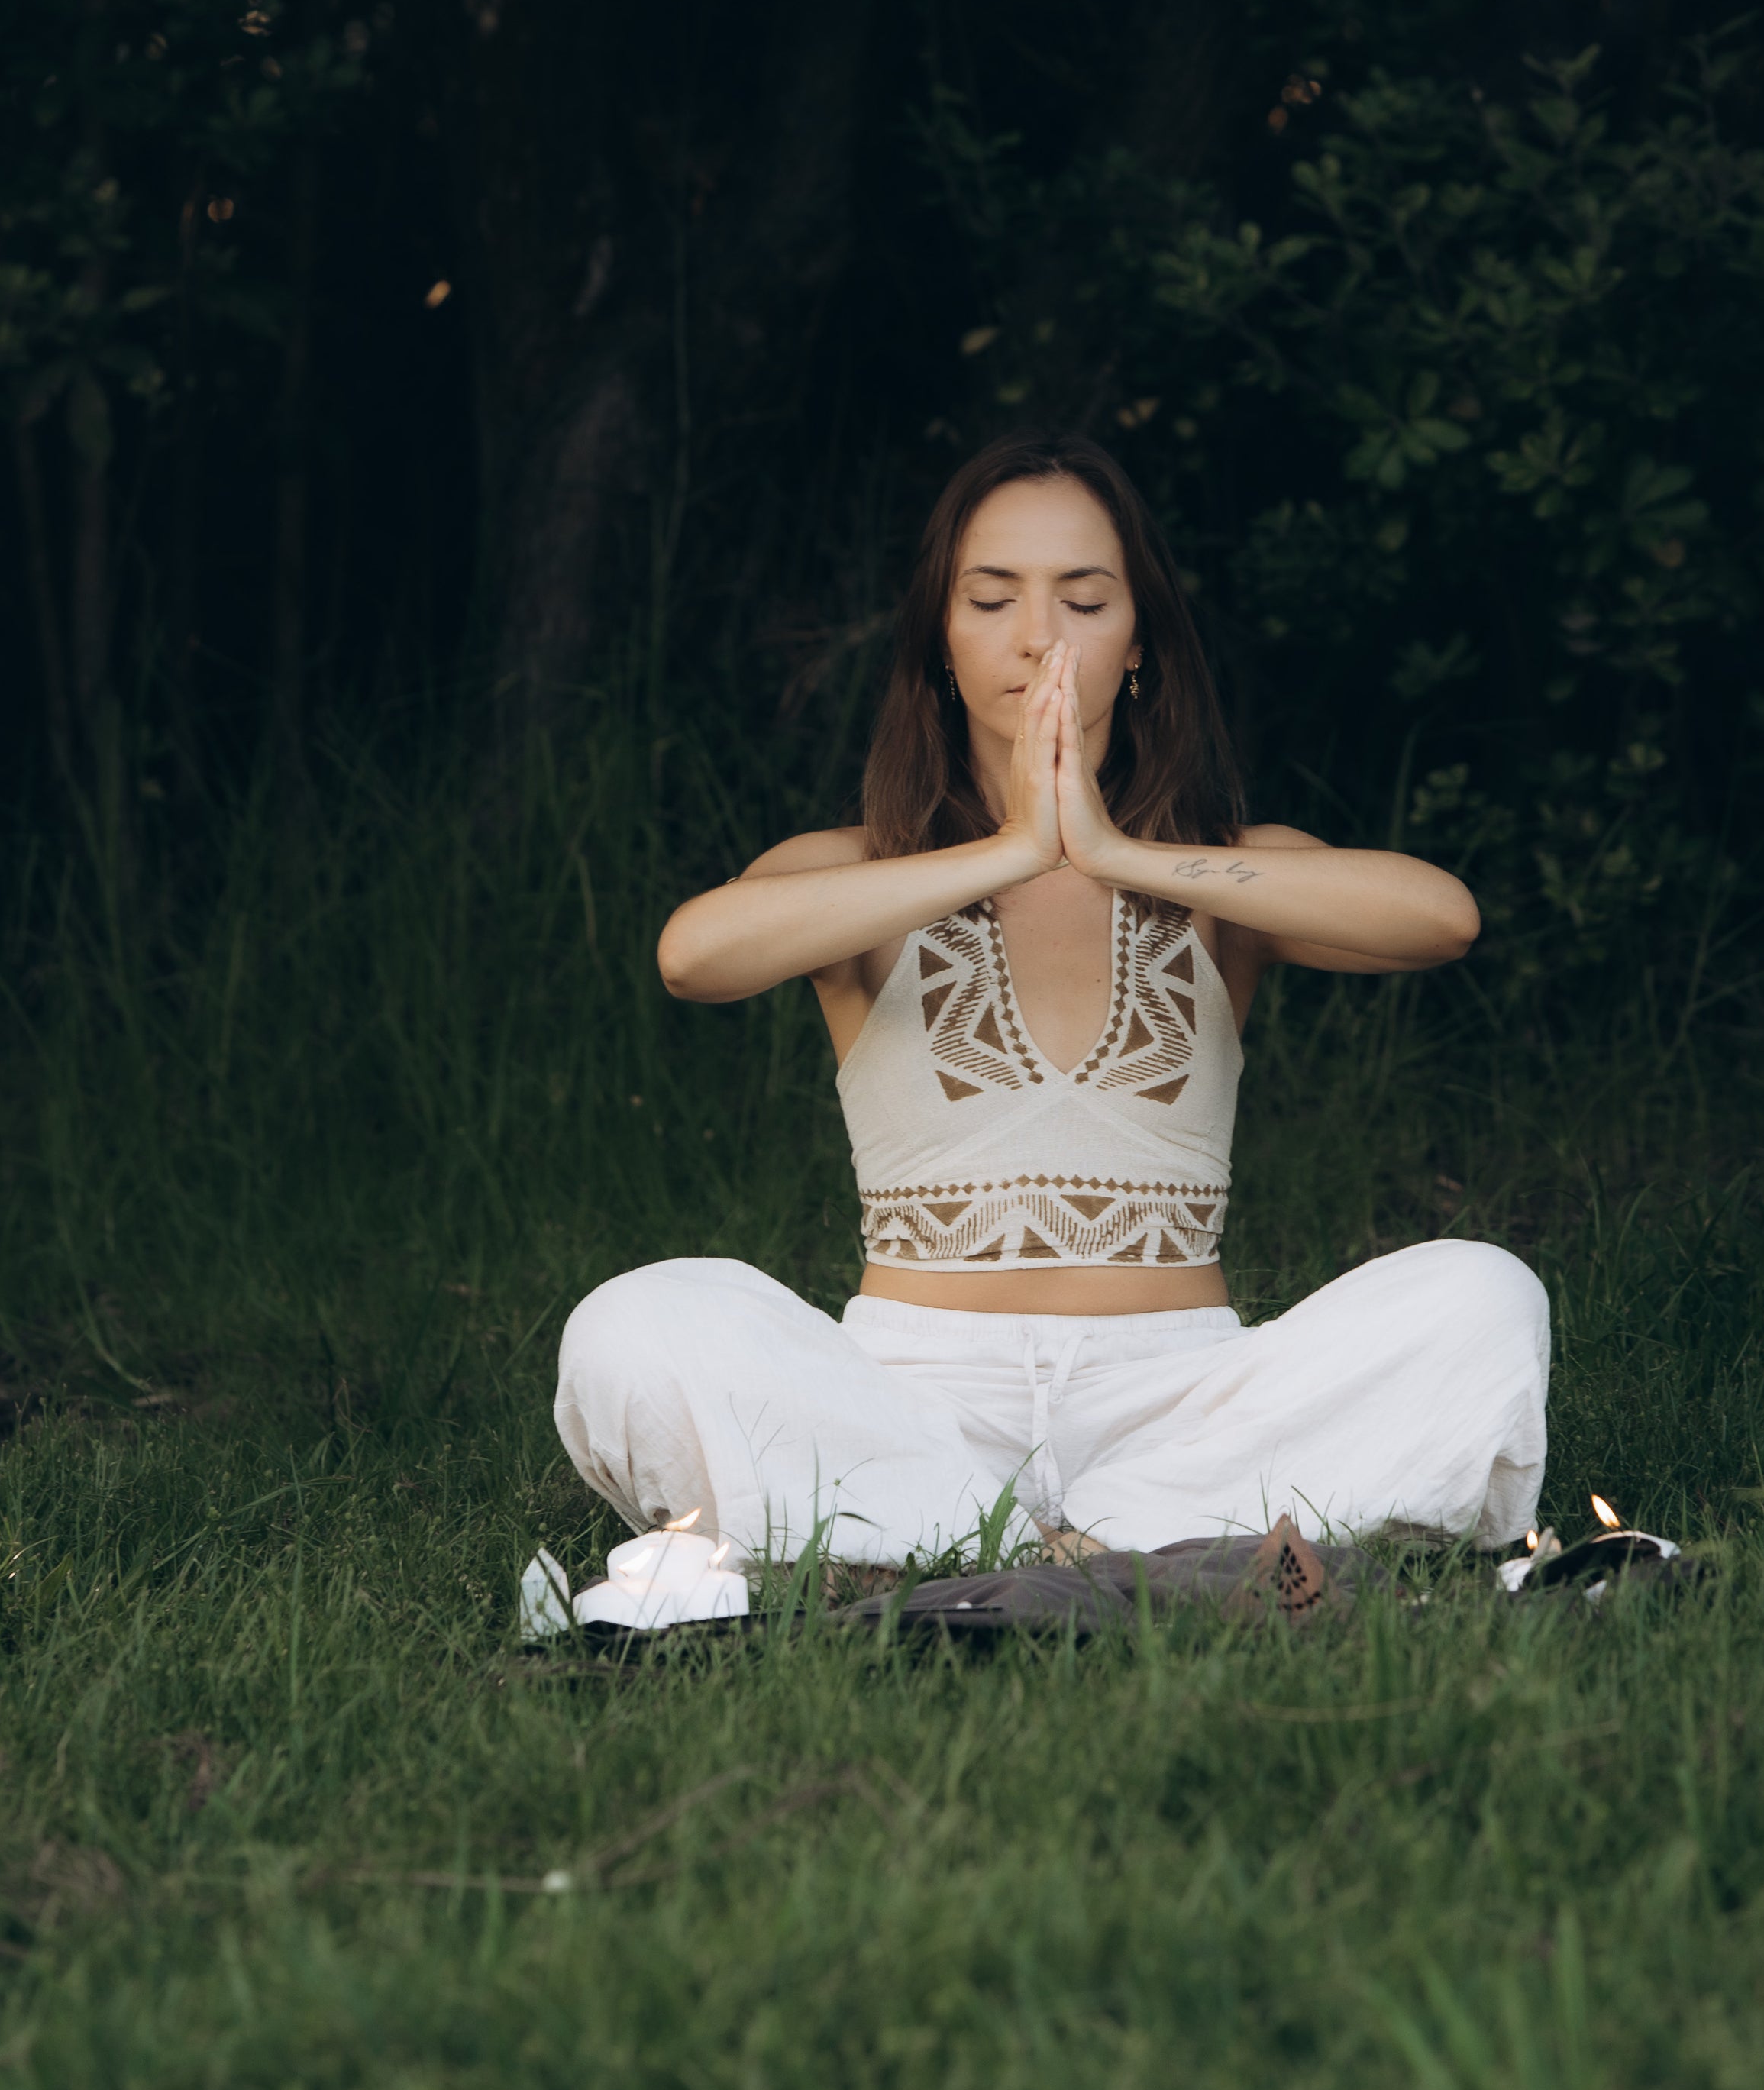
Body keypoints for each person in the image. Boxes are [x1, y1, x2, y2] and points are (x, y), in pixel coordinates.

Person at [554, 433, 1550, 1564]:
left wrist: (1115, 852)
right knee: (635, 1322)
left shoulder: (1225, 876)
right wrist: (1012, 850)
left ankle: (958, 1551)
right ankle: (1110, 1554)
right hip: (910, 1401)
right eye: (991, 601)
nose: (1039, 637)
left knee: (1485, 1295)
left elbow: (1440, 919)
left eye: (1084, 600)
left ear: (1140, 643)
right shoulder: (856, 873)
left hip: (1178, 1400)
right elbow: (693, 956)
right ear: (939, 641)